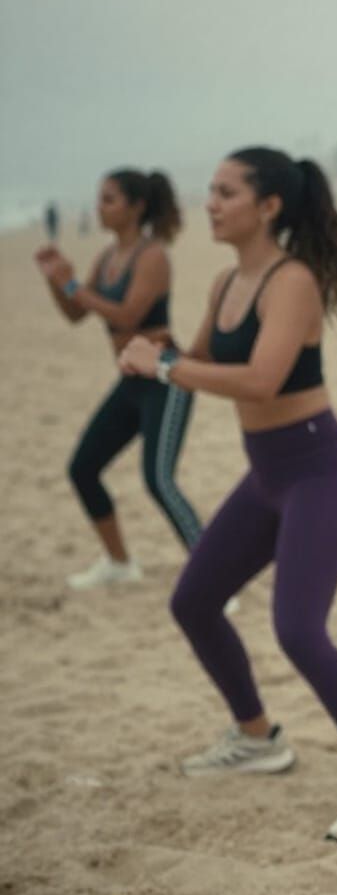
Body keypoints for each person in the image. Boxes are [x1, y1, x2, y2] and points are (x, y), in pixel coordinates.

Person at [118, 147, 337, 845]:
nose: (211, 203)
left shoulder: (292, 281)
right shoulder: (227, 281)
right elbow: (197, 361)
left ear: (270, 206)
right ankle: (257, 736)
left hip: (320, 469)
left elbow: (260, 379)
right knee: (194, 601)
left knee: (299, 630)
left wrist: (164, 366)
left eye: (226, 192)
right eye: (210, 190)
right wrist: (148, 349)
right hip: (267, 474)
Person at [35, 169, 202, 588]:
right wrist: (57, 281)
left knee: (159, 482)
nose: (100, 208)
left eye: (109, 200)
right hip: (130, 382)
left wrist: (73, 284)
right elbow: (76, 314)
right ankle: (119, 563)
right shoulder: (108, 257)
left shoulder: (153, 256)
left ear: (136, 207)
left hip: (166, 377)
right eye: (100, 199)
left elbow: (127, 315)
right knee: (83, 468)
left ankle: (214, 575)